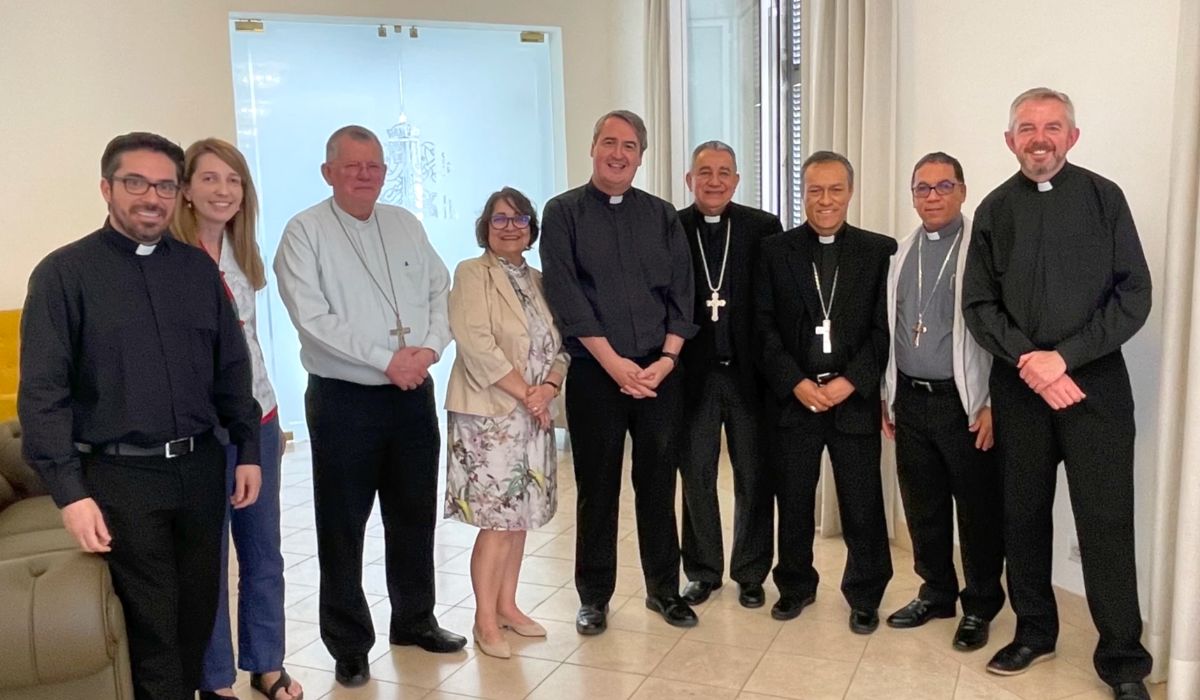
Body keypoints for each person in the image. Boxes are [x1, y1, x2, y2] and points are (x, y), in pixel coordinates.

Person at [19, 132, 262, 700]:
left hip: (200, 469)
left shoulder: (197, 272)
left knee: (198, 615)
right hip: (120, 477)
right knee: (152, 628)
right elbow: (44, 394)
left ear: (178, 195)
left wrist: (248, 449)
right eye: (136, 183)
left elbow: (232, 369)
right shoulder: (63, 275)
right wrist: (70, 494)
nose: (151, 197)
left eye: (164, 186)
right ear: (107, 188)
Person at [962, 87, 1153, 700]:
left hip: (1094, 387)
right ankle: (1035, 631)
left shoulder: (1104, 198)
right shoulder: (994, 209)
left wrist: (1064, 358)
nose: (1039, 138)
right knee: (1022, 517)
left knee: (1106, 521)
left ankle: (1122, 660)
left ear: (1072, 136)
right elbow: (979, 305)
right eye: (1026, 128)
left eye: (1051, 127)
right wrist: (1031, 361)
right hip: (1021, 389)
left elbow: (1134, 293)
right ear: (1009, 140)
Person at [273, 125, 463, 689]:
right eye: (352, 165)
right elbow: (313, 318)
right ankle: (350, 643)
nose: (364, 175)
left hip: (411, 395)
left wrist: (430, 349)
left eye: (374, 165)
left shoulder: (405, 223)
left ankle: (415, 620)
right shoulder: (304, 231)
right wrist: (386, 360)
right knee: (343, 525)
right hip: (344, 400)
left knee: (413, 515)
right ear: (328, 172)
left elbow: (440, 291)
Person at [540, 109, 698, 635]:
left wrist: (667, 360)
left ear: (640, 156)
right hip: (595, 373)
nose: (618, 154)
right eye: (609, 142)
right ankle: (594, 597)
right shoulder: (562, 213)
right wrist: (614, 364)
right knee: (597, 487)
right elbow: (566, 294)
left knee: (658, 484)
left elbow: (682, 292)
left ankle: (664, 590)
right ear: (593, 147)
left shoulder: (661, 215)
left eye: (629, 146)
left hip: (658, 373)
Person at [172, 138, 302, 700]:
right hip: (203, 429)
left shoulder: (241, 253)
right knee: (209, 559)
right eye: (210, 179)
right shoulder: (171, 260)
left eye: (234, 180)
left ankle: (267, 662)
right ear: (186, 190)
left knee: (263, 549)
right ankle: (215, 679)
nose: (223, 191)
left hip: (259, 417)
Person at [754, 150, 895, 633]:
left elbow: (883, 330)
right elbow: (763, 327)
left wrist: (850, 382)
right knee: (793, 499)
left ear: (850, 192)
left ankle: (865, 594)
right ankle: (795, 585)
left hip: (851, 397)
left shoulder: (878, 252)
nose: (826, 200)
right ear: (803, 194)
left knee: (862, 501)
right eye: (815, 190)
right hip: (796, 399)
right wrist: (795, 382)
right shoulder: (775, 251)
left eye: (835, 189)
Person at [880, 152, 1004, 652]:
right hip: (911, 399)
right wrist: (887, 394)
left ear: (962, 191)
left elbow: (999, 334)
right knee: (922, 506)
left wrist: (992, 402)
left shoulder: (984, 252)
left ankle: (980, 605)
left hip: (964, 405)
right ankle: (936, 592)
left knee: (977, 511)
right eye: (922, 188)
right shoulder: (902, 253)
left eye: (943, 186)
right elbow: (892, 331)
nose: (932, 196)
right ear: (913, 195)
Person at [443, 187, 569, 659]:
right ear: (486, 227)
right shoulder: (472, 274)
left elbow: (563, 343)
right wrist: (527, 394)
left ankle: (508, 606)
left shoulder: (539, 280)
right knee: (496, 521)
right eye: (500, 219)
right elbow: (476, 344)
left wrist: (548, 388)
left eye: (519, 219)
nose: (511, 227)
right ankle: (483, 619)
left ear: (532, 228)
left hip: (533, 415)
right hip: (490, 417)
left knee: (520, 518)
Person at [676, 141, 781, 609]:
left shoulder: (763, 228)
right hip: (692, 375)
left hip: (749, 375)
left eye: (724, 172)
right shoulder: (674, 227)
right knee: (696, 475)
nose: (714, 181)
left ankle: (751, 572)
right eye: (705, 172)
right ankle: (702, 571)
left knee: (754, 476)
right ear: (689, 179)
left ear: (737, 180)